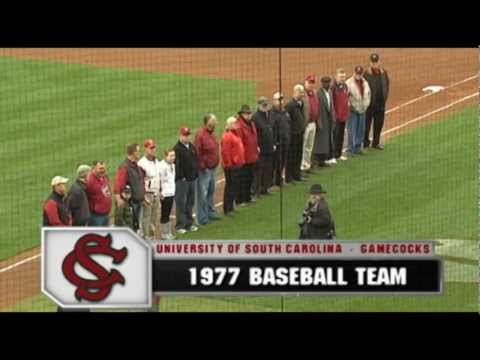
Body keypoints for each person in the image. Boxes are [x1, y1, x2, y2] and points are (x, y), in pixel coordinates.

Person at [194, 113, 221, 225]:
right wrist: (203, 166)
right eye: (214, 121)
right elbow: (197, 153)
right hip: (204, 170)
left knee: (210, 191)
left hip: (212, 168)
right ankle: (202, 217)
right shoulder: (200, 135)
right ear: (208, 123)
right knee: (202, 194)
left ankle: (210, 213)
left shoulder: (211, 134)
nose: (216, 123)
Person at [114, 143, 145, 232]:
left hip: (138, 201)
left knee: (136, 226)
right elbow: (118, 184)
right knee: (130, 227)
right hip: (131, 203)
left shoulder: (135, 165)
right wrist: (118, 198)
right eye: (138, 151)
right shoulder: (124, 167)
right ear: (133, 153)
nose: (140, 153)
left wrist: (143, 195)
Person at [174, 127, 199, 234]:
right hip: (182, 181)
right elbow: (177, 166)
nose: (187, 137)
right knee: (181, 203)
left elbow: (195, 161)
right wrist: (182, 177)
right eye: (185, 135)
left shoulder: (191, 146)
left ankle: (189, 223)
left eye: (188, 135)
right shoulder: (177, 149)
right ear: (180, 136)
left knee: (190, 202)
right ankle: (180, 225)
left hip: (192, 179)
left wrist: (196, 174)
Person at [363, 52, 390, 150]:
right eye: (373, 62)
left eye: (376, 62)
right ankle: (365, 143)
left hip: (380, 103)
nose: (374, 64)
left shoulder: (384, 72)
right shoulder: (366, 74)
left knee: (379, 124)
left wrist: (385, 97)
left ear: (379, 62)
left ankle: (376, 143)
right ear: (370, 63)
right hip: (370, 104)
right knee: (366, 125)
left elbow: (387, 85)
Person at [221, 116, 245, 216]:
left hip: (236, 164)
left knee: (234, 186)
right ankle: (227, 209)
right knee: (230, 186)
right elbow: (225, 152)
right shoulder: (228, 136)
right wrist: (230, 164)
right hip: (231, 166)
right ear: (230, 125)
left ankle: (231, 206)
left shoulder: (234, 134)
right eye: (235, 123)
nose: (237, 125)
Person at [235, 105, 259, 206]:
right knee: (242, 179)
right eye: (247, 114)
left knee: (250, 177)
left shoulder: (251, 123)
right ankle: (240, 200)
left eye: (250, 113)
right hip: (244, 158)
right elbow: (239, 143)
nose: (249, 115)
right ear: (242, 114)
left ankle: (248, 197)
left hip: (252, 155)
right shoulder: (239, 125)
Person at [138, 139, 162, 240]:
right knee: (146, 218)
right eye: (150, 148)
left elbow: (158, 177)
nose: (152, 149)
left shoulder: (156, 161)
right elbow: (139, 181)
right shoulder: (141, 163)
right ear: (146, 149)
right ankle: (145, 237)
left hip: (156, 192)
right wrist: (143, 196)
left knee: (154, 217)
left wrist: (160, 191)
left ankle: (151, 237)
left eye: (153, 147)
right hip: (147, 194)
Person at [346, 65, 371, 156]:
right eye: (357, 73)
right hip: (353, 111)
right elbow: (345, 97)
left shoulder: (365, 82)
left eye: (360, 74)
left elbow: (368, 94)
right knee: (352, 130)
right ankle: (350, 149)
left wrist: (366, 105)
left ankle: (357, 148)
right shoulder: (348, 83)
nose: (358, 75)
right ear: (354, 72)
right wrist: (349, 106)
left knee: (361, 130)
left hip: (362, 110)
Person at [252, 96, 275, 196]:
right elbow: (254, 134)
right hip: (260, 149)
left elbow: (271, 130)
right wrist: (257, 146)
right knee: (259, 171)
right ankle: (256, 191)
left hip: (269, 147)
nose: (265, 107)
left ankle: (265, 188)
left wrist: (273, 143)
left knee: (268, 169)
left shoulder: (268, 114)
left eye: (266, 105)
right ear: (259, 105)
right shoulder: (255, 117)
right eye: (263, 105)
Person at [285, 84, 307, 183]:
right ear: (296, 92)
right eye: (301, 92)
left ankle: (297, 175)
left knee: (299, 155)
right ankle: (289, 177)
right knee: (291, 156)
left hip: (300, 134)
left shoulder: (300, 103)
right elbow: (287, 121)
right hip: (293, 135)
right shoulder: (290, 105)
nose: (303, 94)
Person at [313, 76, 336, 166]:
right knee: (320, 140)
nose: (327, 84)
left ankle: (325, 158)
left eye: (328, 82)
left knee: (327, 139)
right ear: (322, 83)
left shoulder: (329, 92)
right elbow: (317, 108)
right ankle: (318, 160)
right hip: (322, 119)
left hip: (328, 119)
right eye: (325, 83)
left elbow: (331, 106)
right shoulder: (318, 93)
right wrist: (318, 121)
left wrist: (333, 118)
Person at [271, 92, 291, 187]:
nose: (281, 102)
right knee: (275, 163)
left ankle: (279, 181)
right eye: (279, 100)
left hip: (285, 141)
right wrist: (275, 142)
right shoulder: (272, 114)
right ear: (274, 101)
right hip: (278, 143)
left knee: (283, 162)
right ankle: (273, 183)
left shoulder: (285, 112)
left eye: (282, 100)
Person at [301, 75, 319, 175]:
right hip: (306, 124)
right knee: (303, 146)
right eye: (309, 82)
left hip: (313, 123)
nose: (311, 85)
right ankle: (301, 167)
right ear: (305, 82)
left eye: (312, 83)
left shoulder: (314, 93)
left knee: (309, 146)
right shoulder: (302, 94)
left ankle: (307, 165)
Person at [86, 160, 112, 226]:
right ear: (93, 168)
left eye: (104, 168)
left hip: (106, 214)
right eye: (100, 168)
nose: (103, 170)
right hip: (96, 217)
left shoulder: (104, 177)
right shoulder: (90, 181)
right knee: (96, 235)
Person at [331, 69, 350, 161]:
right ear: (336, 77)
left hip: (343, 116)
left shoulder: (345, 86)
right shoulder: (333, 88)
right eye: (340, 77)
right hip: (336, 117)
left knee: (341, 135)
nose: (342, 78)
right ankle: (333, 155)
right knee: (335, 136)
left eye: (343, 77)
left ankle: (339, 154)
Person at [158, 149, 176, 240]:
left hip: (171, 192)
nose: (173, 158)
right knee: (165, 214)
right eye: (171, 156)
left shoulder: (173, 165)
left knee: (168, 213)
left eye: (173, 155)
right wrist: (160, 191)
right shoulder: (161, 166)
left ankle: (168, 232)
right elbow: (158, 179)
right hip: (164, 194)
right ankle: (164, 234)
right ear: (166, 156)